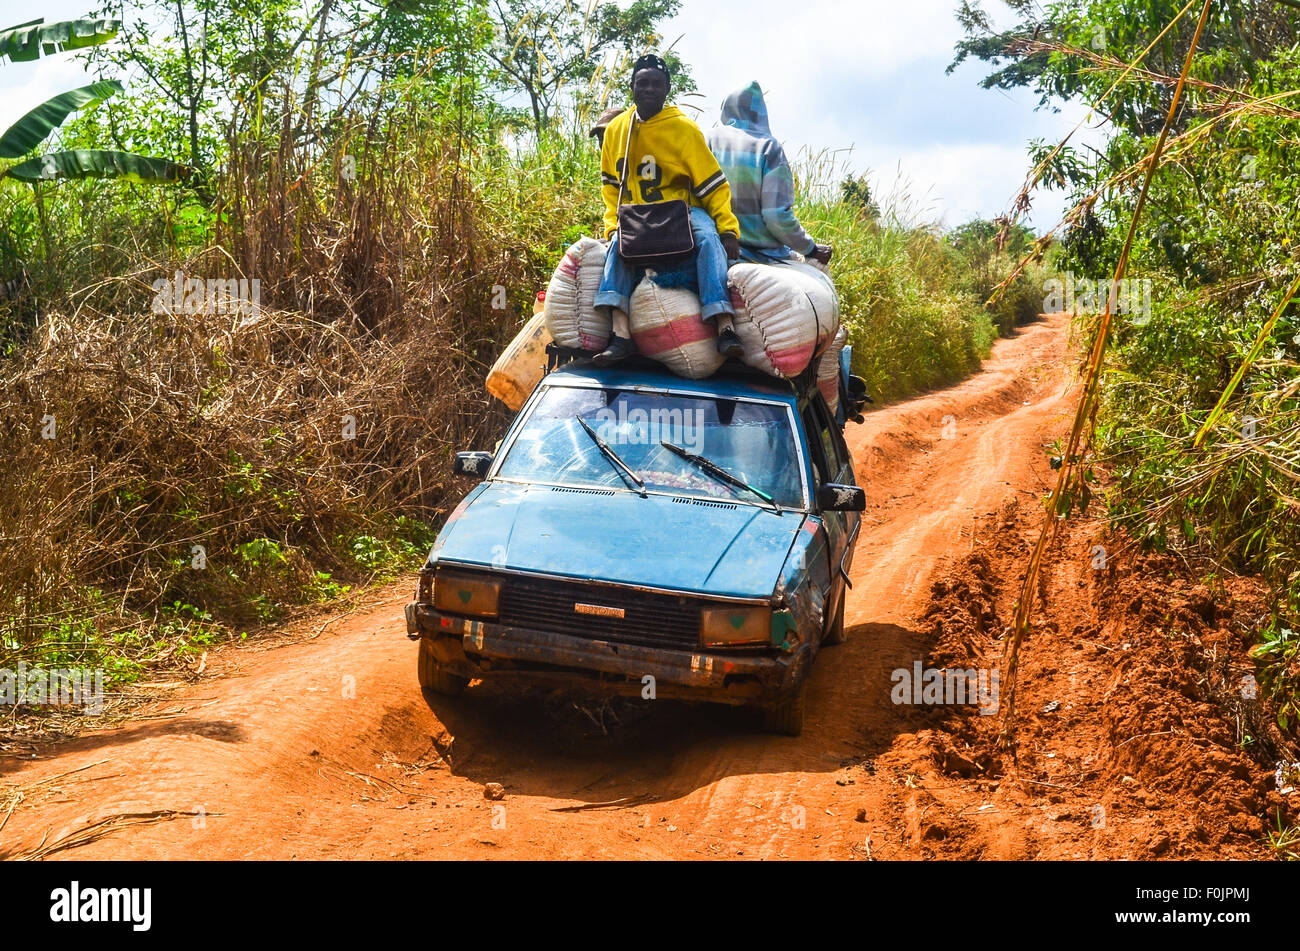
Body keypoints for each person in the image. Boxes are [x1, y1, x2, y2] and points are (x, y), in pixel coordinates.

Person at [593, 54, 744, 364]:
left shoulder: (684, 130)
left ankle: (724, 325)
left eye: (656, 84)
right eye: (642, 83)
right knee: (615, 248)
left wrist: (728, 229)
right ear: (632, 87)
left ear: (667, 89)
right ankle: (620, 334)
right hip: (637, 216)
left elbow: (713, 185)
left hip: (681, 212)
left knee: (708, 239)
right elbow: (610, 188)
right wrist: (612, 225)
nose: (649, 89)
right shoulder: (616, 130)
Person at [706, 82, 832, 267]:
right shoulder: (769, 147)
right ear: (761, 112)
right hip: (763, 256)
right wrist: (811, 248)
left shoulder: (708, 139)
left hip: (717, 248)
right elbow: (776, 216)